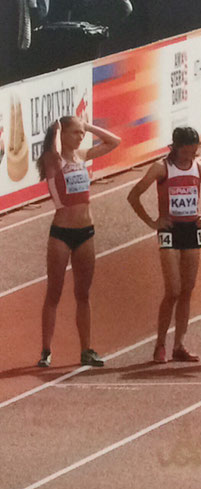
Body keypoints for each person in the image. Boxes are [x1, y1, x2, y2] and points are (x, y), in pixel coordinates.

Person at [127, 127, 201, 363]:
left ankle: (179, 344)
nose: (194, 152)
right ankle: (160, 344)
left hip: (191, 231)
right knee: (173, 290)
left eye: (196, 147)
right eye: (190, 148)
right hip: (169, 230)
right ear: (179, 146)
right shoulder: (161, 168)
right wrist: (152, 222)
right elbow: (133, 195)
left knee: (187, 289)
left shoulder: (200, 167)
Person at [38, 115, 121, 367]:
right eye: (75, 132)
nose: (80, 136)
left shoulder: (82, 156)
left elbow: (114, 141)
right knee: (54, 292)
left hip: (86, 232)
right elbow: (51, 149)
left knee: (83, 294)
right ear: (62, 135)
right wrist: (56, 131)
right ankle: (46, 351)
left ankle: (86, 349)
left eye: (81, 133)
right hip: (61, 234)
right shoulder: (54, 161)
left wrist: (88, 126)